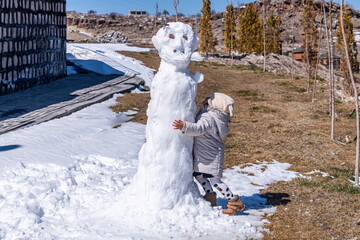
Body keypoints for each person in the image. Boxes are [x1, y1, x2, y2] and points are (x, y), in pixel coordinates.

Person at [172, 92, 245, 216]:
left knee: (215, 181)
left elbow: (199, 128)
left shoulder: (209, 117)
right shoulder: (216, 116)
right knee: (199, 175)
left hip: (210, 155)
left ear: (216, 104)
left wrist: (184, 126)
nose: (206, 98)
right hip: (206, 152)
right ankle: (210, 196)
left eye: (210, 98)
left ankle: (234, 201)